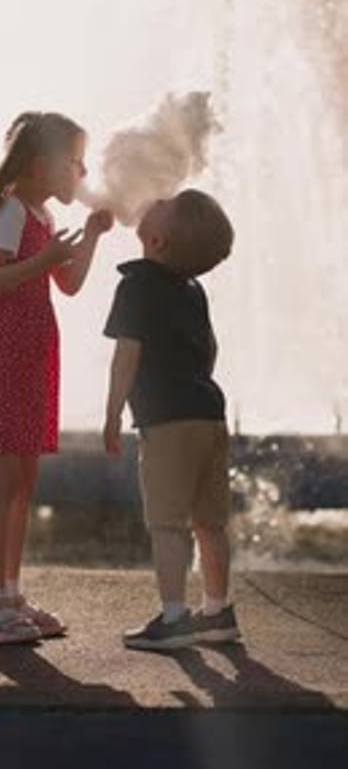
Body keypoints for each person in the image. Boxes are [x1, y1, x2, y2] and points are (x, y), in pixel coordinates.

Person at [0, 111, 112, 645]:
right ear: (42, 163)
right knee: (3, 478)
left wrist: (91, 237)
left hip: (28, 355)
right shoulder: (10, 211)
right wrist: (48, 259)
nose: (83, 172)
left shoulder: (36, 212)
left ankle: (12, 594)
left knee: (24, 479)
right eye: (75, 161)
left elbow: (72, 283)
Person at [103, 188, 239, 650]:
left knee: (167, 524)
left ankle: (174, 617)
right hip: (209, 415)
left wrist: (112, 411)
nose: (153, 196)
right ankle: (219, 613)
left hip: (167, 421)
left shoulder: (136, 285)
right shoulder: (193, 289)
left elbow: (127, 356)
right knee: (210, 522)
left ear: (156, 240)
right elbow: (212, 348)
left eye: (163, 204)